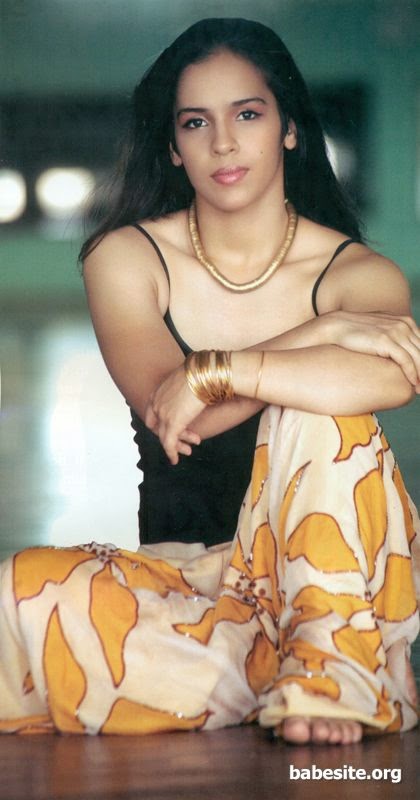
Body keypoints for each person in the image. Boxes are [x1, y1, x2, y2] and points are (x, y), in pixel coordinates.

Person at [1, 18, 419, 744]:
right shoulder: (126, 259)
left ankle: (331, 669)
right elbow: (176, 414)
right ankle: (280, 673)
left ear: (289, 128)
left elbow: (388, 382)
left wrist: (223, 370)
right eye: (196, 122)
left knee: (317, 411)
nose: (223, 142)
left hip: (329, 587)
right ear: (174, 145)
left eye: (248, 115)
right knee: (18, 589)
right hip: (188, 589)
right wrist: (318, 334)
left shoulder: (359, 276)